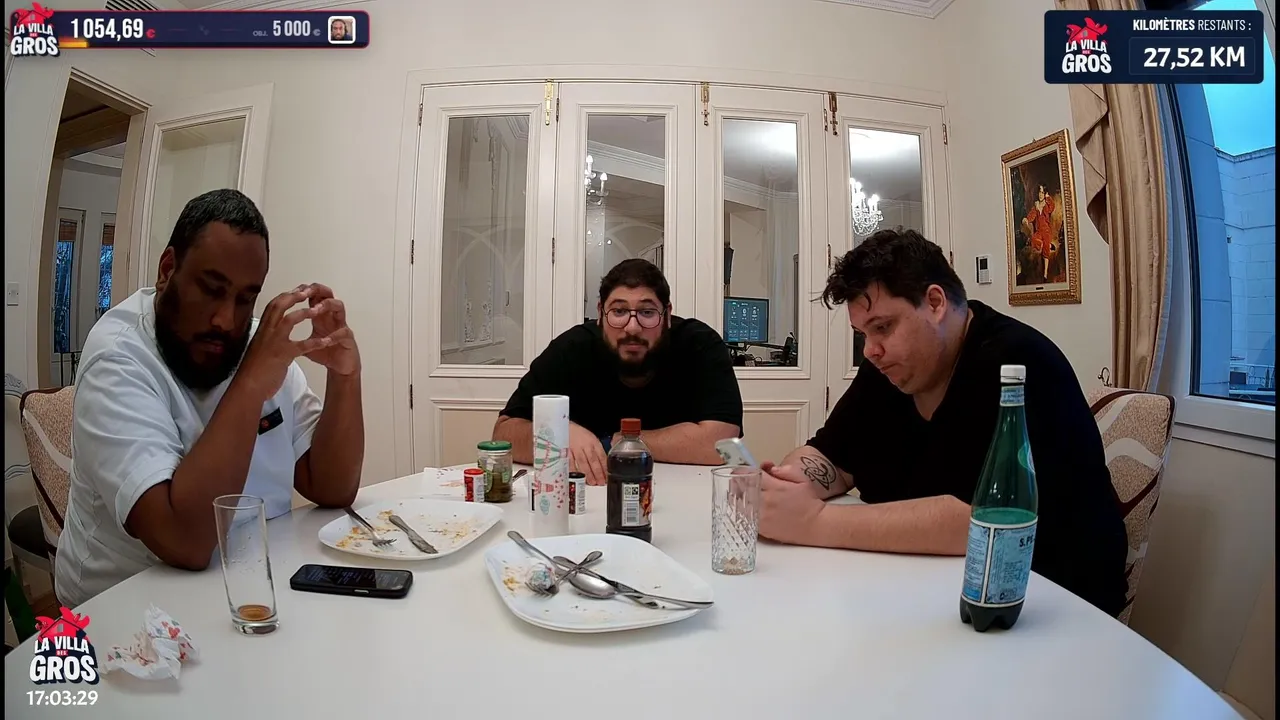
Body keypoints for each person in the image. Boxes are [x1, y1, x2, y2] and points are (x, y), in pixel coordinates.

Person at [757, 228, 1127, 617]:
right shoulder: (890, 367)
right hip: (920, 589)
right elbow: (832, 455)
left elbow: (977, 521)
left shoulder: (1018, 365)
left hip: (1045, 606)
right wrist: (786, 484)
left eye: (882, 327)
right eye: (863, 333)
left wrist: (813, 521)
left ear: (935, 302)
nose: (870, 350)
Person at [55, 189, 365, 607]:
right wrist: (251, 384)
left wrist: (345, 375)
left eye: (245, 298)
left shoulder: (257, 344)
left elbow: (332, 487)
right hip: (122, 612)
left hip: (251, 586)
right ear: (168, 269)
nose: (227, 320)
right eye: (210, 289)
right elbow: (184, 540)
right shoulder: (118, 357)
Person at [493, 259, 742, 485]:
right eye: (619, 312)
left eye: (647, 312)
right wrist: (558, 435)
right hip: (589, 496)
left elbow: (723, 445)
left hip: (688, 494)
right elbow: (503, 435)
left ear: (667, 315)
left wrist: (621, 442)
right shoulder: (571, 349)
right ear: (601, 314)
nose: (632, 327)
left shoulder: (699, 345)